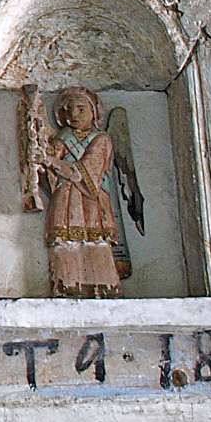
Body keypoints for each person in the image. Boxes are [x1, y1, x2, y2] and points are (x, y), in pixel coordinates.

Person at [41, 86, 123, 299]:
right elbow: (47, 170)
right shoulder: (62, 138)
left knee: (95, 243)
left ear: (93, 112)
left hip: (91, 202)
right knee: (66, 244)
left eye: (80, 109)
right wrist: (39, 157)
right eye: (68, 110)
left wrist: (52, 162)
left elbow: (84, 173)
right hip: (65, 200)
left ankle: (102, 287)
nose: (73, 115)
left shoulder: (101, 139)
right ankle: (68, 285)